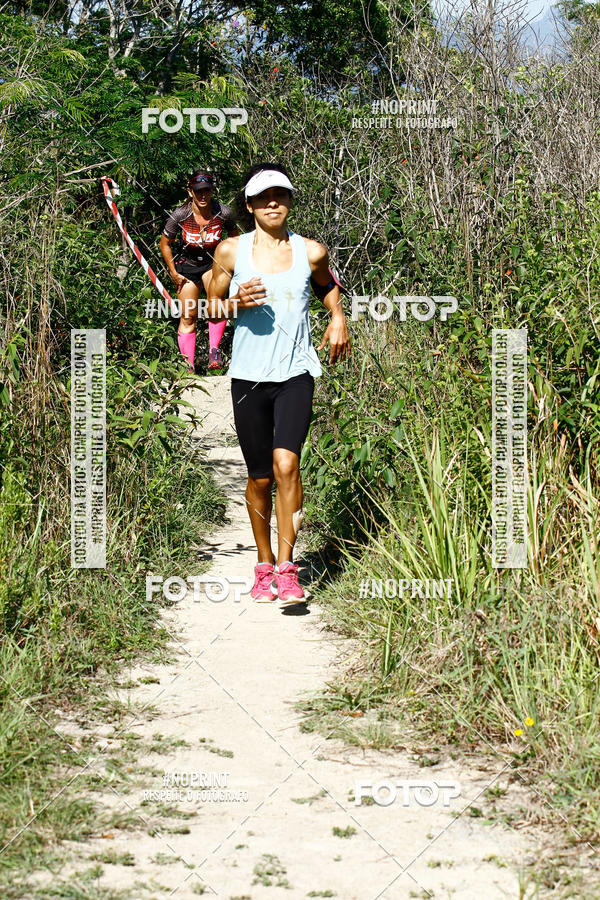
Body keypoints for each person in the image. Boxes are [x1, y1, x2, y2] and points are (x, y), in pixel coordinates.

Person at [207, 163, 351, 607]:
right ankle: (263, 563)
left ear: (290, 201)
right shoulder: (231, 252)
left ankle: (288, 570)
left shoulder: (311, 252)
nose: (274, 203)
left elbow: (328, 286)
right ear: (249, 205)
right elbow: (208, 311)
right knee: (260, 476)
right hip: (249, 376)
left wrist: (338, 316)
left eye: (281, 195)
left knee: (287, 464)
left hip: (296, 372)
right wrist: (233, 302)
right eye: (263, 197)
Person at [160, 169, 239, 373]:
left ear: (212, 191)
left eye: (207, 190)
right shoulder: (180, 214)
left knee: (216, 306)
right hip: (186, 265)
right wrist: (173, 272)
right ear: (190, 192)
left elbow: (235, 237)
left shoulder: (223, 212)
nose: (203, 195)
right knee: (188, 316)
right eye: (198, 191)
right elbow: (165, 244)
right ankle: (188, 367)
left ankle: (214, 351)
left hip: (212, 263)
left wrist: (230, 264)